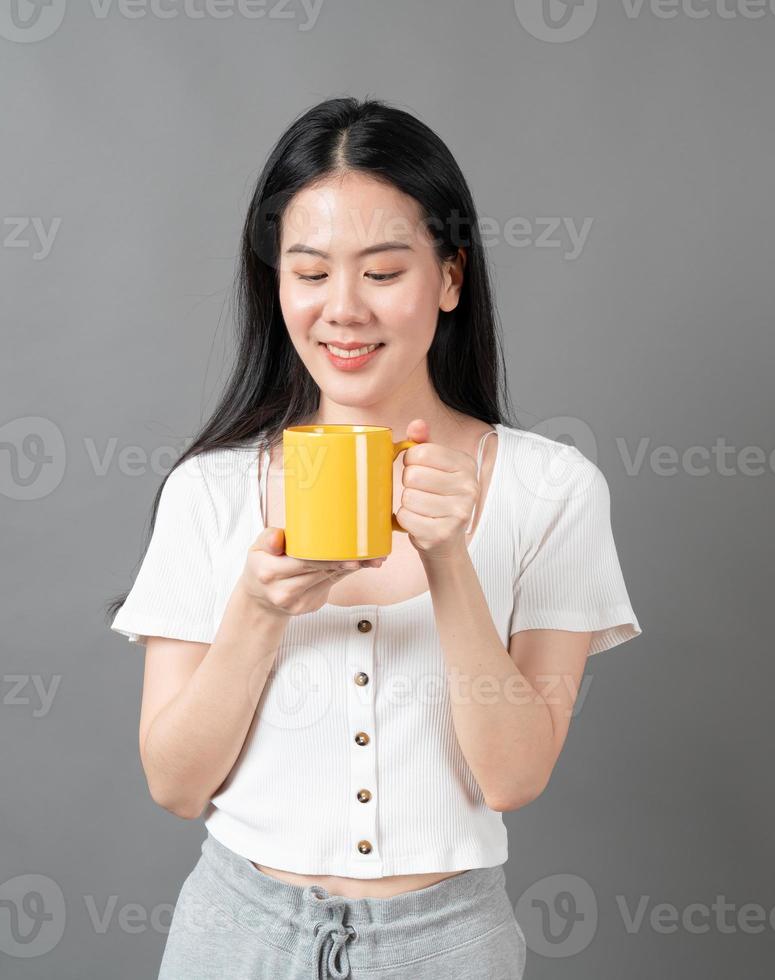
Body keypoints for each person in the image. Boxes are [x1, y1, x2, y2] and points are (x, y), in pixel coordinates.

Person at [108, 95, 642, 979]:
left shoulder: (552, 489)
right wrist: (256, 608)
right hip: (235, 937)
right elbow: (175, 786)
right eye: (310, 273)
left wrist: (449, 561)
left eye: (384, 273)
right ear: (275, 283)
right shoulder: (209, 491)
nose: (343, 310)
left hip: (449, 945)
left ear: (451, 278)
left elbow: (513, 778)